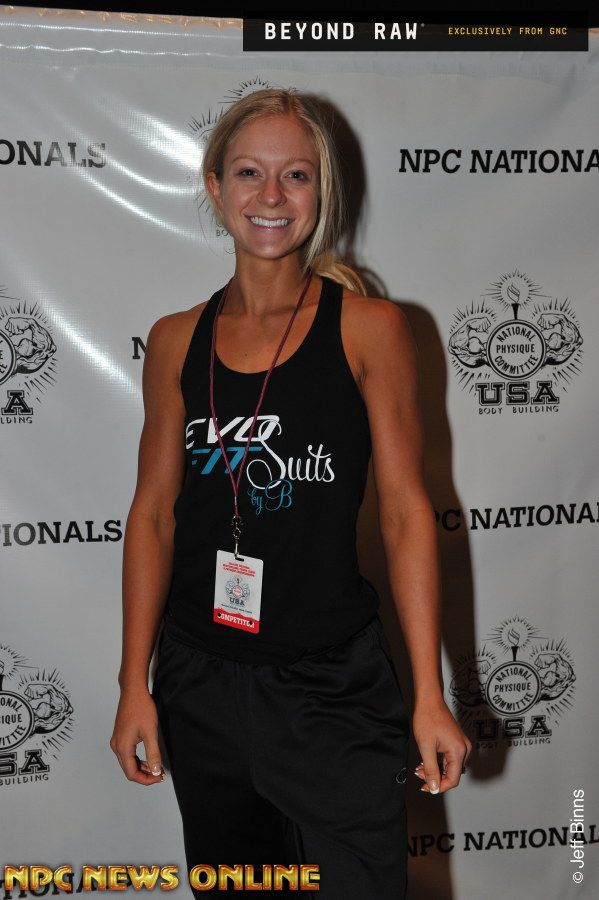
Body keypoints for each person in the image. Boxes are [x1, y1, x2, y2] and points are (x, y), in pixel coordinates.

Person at [110, 88, 471, 898]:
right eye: (248, 172)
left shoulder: (370, 328)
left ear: (320, 192)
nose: (270, 196)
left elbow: (406, 514)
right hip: (200, 684)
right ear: (215, 187)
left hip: (332, 690)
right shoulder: (174, 339)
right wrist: (134, 683)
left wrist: (428, 694)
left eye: (296, 175)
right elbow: (154, 516)